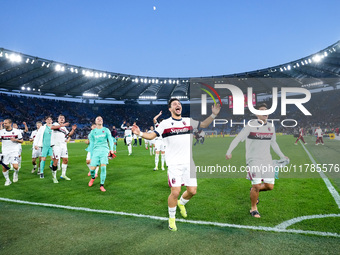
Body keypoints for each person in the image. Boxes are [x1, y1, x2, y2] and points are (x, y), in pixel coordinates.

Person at [132, 98, 221, 231]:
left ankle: (182, 203)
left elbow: (203, 125)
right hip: (174, 164)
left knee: (192, 191)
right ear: (170, 109)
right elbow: (152, 136)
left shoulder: (188, 121)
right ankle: (172, 219)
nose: (177, 105)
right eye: (174, 104)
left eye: (179, 104)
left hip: (189, 162)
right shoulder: (165, 124)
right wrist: (140, 133)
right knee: (175, 192)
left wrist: (214, 114)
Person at [225, 103, 289, 218]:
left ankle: (254, 190)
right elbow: (238, 138)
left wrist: (282, 156)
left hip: (267, 160)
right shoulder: (250, 125)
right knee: (256, 184)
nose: (265, 112)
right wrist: (229, 151)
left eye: (266, 110)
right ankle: (254, 209)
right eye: (262, 110)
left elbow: (273, 143)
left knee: (270, 186)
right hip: (253, 160)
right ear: (256, 113)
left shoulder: (271, 126)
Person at [88, 116, 115, 192]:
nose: (100, 120)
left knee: (103, 167)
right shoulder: (93, 132)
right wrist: (91, 156)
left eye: (101, 119)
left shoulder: (106, 130)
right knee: (92, 169)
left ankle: (101, 185)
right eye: (98, 119)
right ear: (95, 122)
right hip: (96, 151)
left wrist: (111, 150)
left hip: (104, 150)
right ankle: (93, 178)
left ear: (102, 121)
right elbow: (92, 144)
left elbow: (110, 139)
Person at [34, 116, 62, 182]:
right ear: (45, 121)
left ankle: (50, 165)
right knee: (43, 159)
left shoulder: (54, 127)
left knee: (53, 158)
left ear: (52, 121)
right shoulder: (42, 128)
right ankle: (41, 172)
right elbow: (37, 136)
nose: (49, 120)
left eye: (50, 119)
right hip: (45, 146)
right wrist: (36, 144)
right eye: (47, 119)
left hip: (52, 146)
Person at [50, 114, 77, 181]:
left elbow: (69, 134)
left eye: (63, 118)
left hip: (63, 145)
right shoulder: (55, 124)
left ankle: (63, 175)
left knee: (65, 160)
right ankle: (54, 177)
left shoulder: (64, 128)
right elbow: (52, 128)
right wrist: (62, 125)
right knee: (56, 161)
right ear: (58, 119)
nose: (62, 119)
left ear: (64, 120)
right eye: (60, 118)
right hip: (56, 145)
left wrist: (73, 130)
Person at [0, 119, 23, 186]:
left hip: (14, 151)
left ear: (10, 124)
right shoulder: (1, 132)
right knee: (4, 167)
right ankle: (7, 180)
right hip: (5, 152)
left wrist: (15, 140)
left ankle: (15, 173)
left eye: (6, 123)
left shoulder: (17, 131)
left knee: (15, 166)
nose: (4, 124)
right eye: (4, 123)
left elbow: (21, 141)